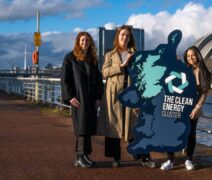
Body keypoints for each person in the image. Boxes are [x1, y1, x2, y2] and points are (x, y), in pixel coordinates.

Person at [97, 25, 156, 168]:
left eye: (127, 35)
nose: (125, 37)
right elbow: (104, 72)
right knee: (114, 126)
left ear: (130, 38)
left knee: (136, 126)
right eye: (122, 35)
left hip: (132, 94)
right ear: (117, 37)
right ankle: (116, 158)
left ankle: (144, 157)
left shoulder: (136, 54)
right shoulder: (109, 55)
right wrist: (121, 66)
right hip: (114, 96)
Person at [160, 46, 212, 171]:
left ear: (198, 55)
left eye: (193, 55)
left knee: (190, 134)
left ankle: (189, 160)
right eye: (188, 56)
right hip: (179, 105)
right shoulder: (184, 69)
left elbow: (204, 94)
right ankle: (170, 160)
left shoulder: (203, 72)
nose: (191, 58)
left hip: (193, 108)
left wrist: (197, 109)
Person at [61, 32, 104, 168]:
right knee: (81, 127)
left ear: (90, 42)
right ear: (78, 42)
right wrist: (70, 97)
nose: (85, 42)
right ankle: (79, 157)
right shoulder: (70, 58)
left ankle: (85, 155)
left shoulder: (92, 59)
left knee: (89, 127)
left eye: (87, 40)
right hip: (78, 99)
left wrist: (98, 97)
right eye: (82, 40)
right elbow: (65, 79)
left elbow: (98, 81)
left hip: (91, 99)